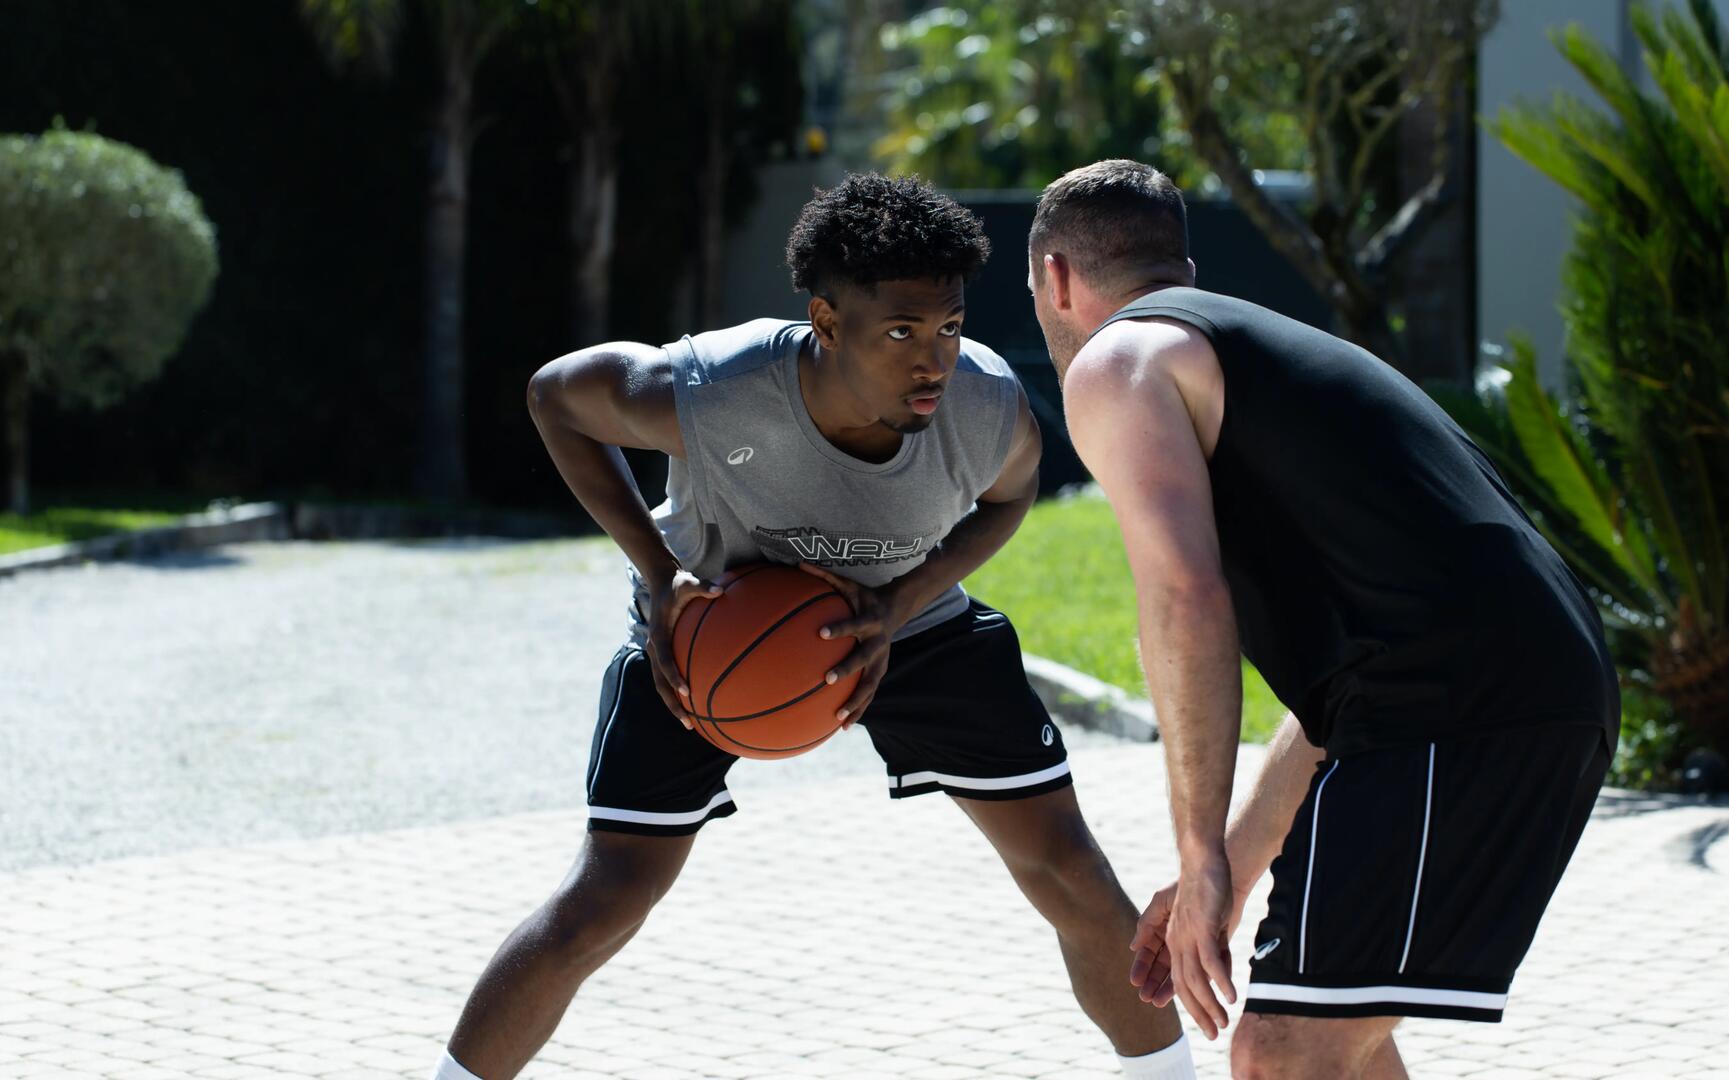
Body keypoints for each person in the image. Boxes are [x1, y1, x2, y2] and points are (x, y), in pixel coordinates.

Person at [430, 174, 1194, 1080]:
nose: (933, 360)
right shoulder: (717, 390)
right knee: (607, 896)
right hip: (715, 623)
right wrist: (658, 570)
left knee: (1068, 866)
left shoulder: (985, 407)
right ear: (826, 324)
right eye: (901, 332)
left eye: (948, 327)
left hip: (906, 620)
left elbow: (1012, 496)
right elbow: (556, 395)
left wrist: (903, 601)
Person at [1027, 159, 1619, 1079]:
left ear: (1055, 279)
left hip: (1456, 704)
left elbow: (1184, 601)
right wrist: (1220, 869)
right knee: (1336, 1036)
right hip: (1497, 686)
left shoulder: (1119, 360)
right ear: (1179, 263)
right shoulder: (1255, 355)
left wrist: (1199, 856)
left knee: (1283, 1049)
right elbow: (1339, 681)